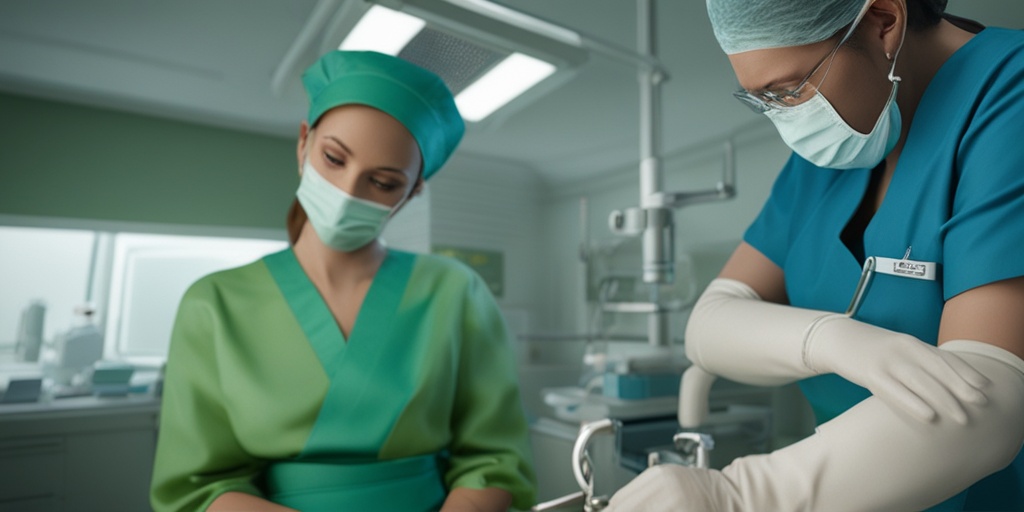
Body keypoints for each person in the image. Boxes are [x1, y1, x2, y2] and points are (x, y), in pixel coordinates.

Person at [608, 0, 1024, 510]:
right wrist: (826, 340)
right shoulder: (841, 144)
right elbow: (710, 322)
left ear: (883, 22)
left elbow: (990, 402)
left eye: (788, 89)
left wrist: (739, 496)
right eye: (763, 99)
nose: (784, 116)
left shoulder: (1009, 91)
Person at [150, 50, 536, 512]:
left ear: (412, 192)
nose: (348, 192)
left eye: (384, 182)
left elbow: (495, 456)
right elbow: (197, 487)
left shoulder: (456, 293)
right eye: (334, 158)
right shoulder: (214, 304)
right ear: (303, 144)